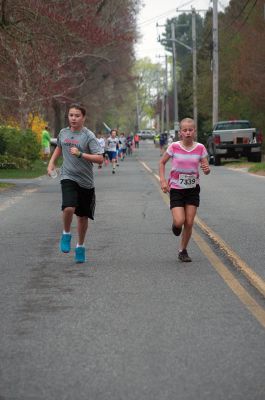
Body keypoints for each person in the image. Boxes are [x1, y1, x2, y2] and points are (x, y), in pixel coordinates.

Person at [47, 103, 103, 264]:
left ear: (83, 118)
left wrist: (81, 154)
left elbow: (100, 158)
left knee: (82, 217)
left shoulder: (88, 136)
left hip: (86, 181)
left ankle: (80, 246)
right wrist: (51, 163)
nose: (73, 118)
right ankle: (66, 233)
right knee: (69, 207)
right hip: (68, 176)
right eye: (71, 115)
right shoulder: (63, 133)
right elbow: (59, 147)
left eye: (77, 115)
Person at [159, 117, 210, 262]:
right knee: (179, 221)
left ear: (194, 131)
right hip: (176, 189)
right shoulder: (174, 147)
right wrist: (163, 181)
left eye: (190, 130)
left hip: (193, 189)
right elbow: (162, 163)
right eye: (185, 130)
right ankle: (176, 225)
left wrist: (206, 169)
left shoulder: (200, 148)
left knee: (189, 222)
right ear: (180, 132)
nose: (188, 132)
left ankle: (183, 250)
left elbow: (206, 168)